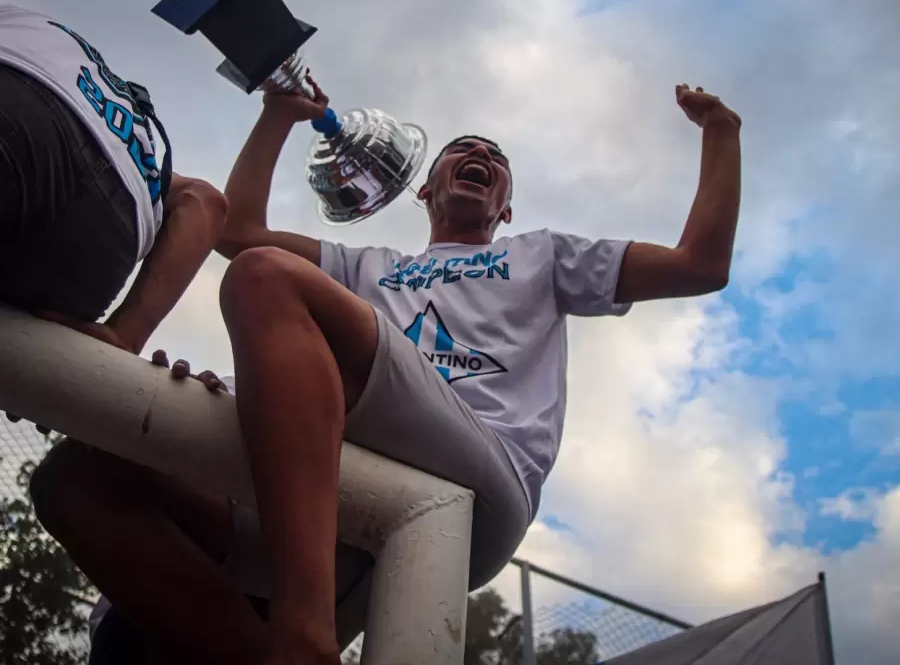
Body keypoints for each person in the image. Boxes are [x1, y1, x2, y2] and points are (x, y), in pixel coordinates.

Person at [31, 78, 741, 665]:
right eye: (463, 151)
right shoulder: (370, 267)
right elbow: (238, 229)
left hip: (479, 472)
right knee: (76, 479)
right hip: (335, 503)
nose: (480, 155)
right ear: (425, 191)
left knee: (266, 278)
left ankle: (303, 631)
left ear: (506, 207)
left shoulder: (540, 256)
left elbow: (699, 265)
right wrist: (279, 115)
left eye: (494, 160)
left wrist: (720, 134)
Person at [0, 3, 227, 357]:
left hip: (23, 103)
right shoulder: (133, 138)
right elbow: (205, 202)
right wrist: (125, 337)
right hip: (111, 233)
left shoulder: (19, 24)